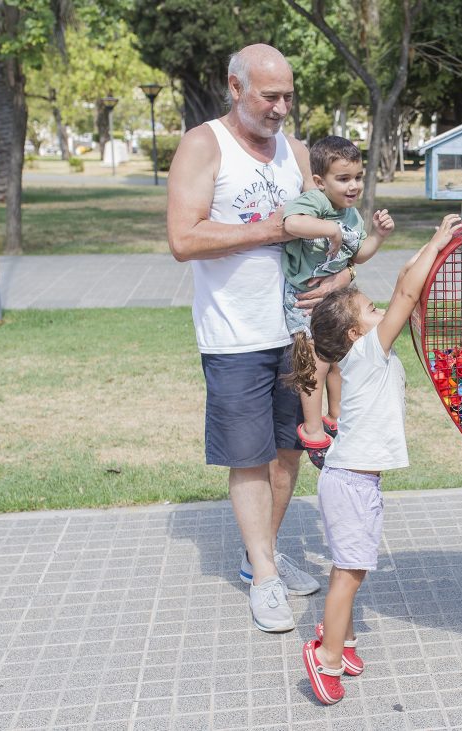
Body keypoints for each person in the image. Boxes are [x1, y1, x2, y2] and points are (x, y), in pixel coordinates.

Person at [167, 44, 351, 633]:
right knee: (248, 457)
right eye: (270, 96)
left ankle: (259, 557)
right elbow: (184, 239)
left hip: (296, 335)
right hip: (234, 334)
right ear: (235, 87)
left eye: (288, 97)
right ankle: (267, 577)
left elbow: (335, 229)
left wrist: (337, 279)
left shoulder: (295, 152)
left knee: (289, 450)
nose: (280, 108)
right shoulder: (205, 145)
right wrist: (271, 230)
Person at [300, 213, 462, 705]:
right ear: (355, 332)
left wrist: (430, 246)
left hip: (357, 481)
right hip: (350, 482)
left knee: (353, 568)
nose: (382, 312)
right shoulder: (369, 351)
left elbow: (403, 280)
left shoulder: (363, 352)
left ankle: (342, 639)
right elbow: (407, 294)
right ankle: (326, 656)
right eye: (372, 310)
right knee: (348, 572)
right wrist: (438, 240)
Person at [280, 136, 395, 467]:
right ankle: (312, 429)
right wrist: (331, 229)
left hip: (335, 299)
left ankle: (335, 415)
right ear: (320, 181)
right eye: (343, 179)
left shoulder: (352, 215)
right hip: (304, 299)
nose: (353, 185)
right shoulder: (316, 201)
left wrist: (378, 236)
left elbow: (358, 255)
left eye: (357, 177)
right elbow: (291, 222)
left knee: (339, 357)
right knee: (313, 361)